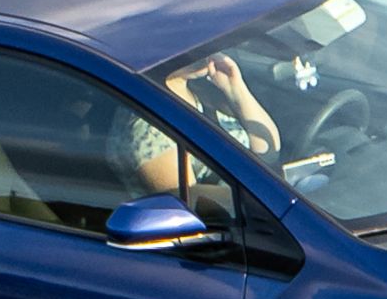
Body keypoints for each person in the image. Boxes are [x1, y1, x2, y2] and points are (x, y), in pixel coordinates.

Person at [109, 53, 285, 196]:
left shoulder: (204, 89)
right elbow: (194, 205)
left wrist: (236, 89)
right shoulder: (147, 126)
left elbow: (269, 154)